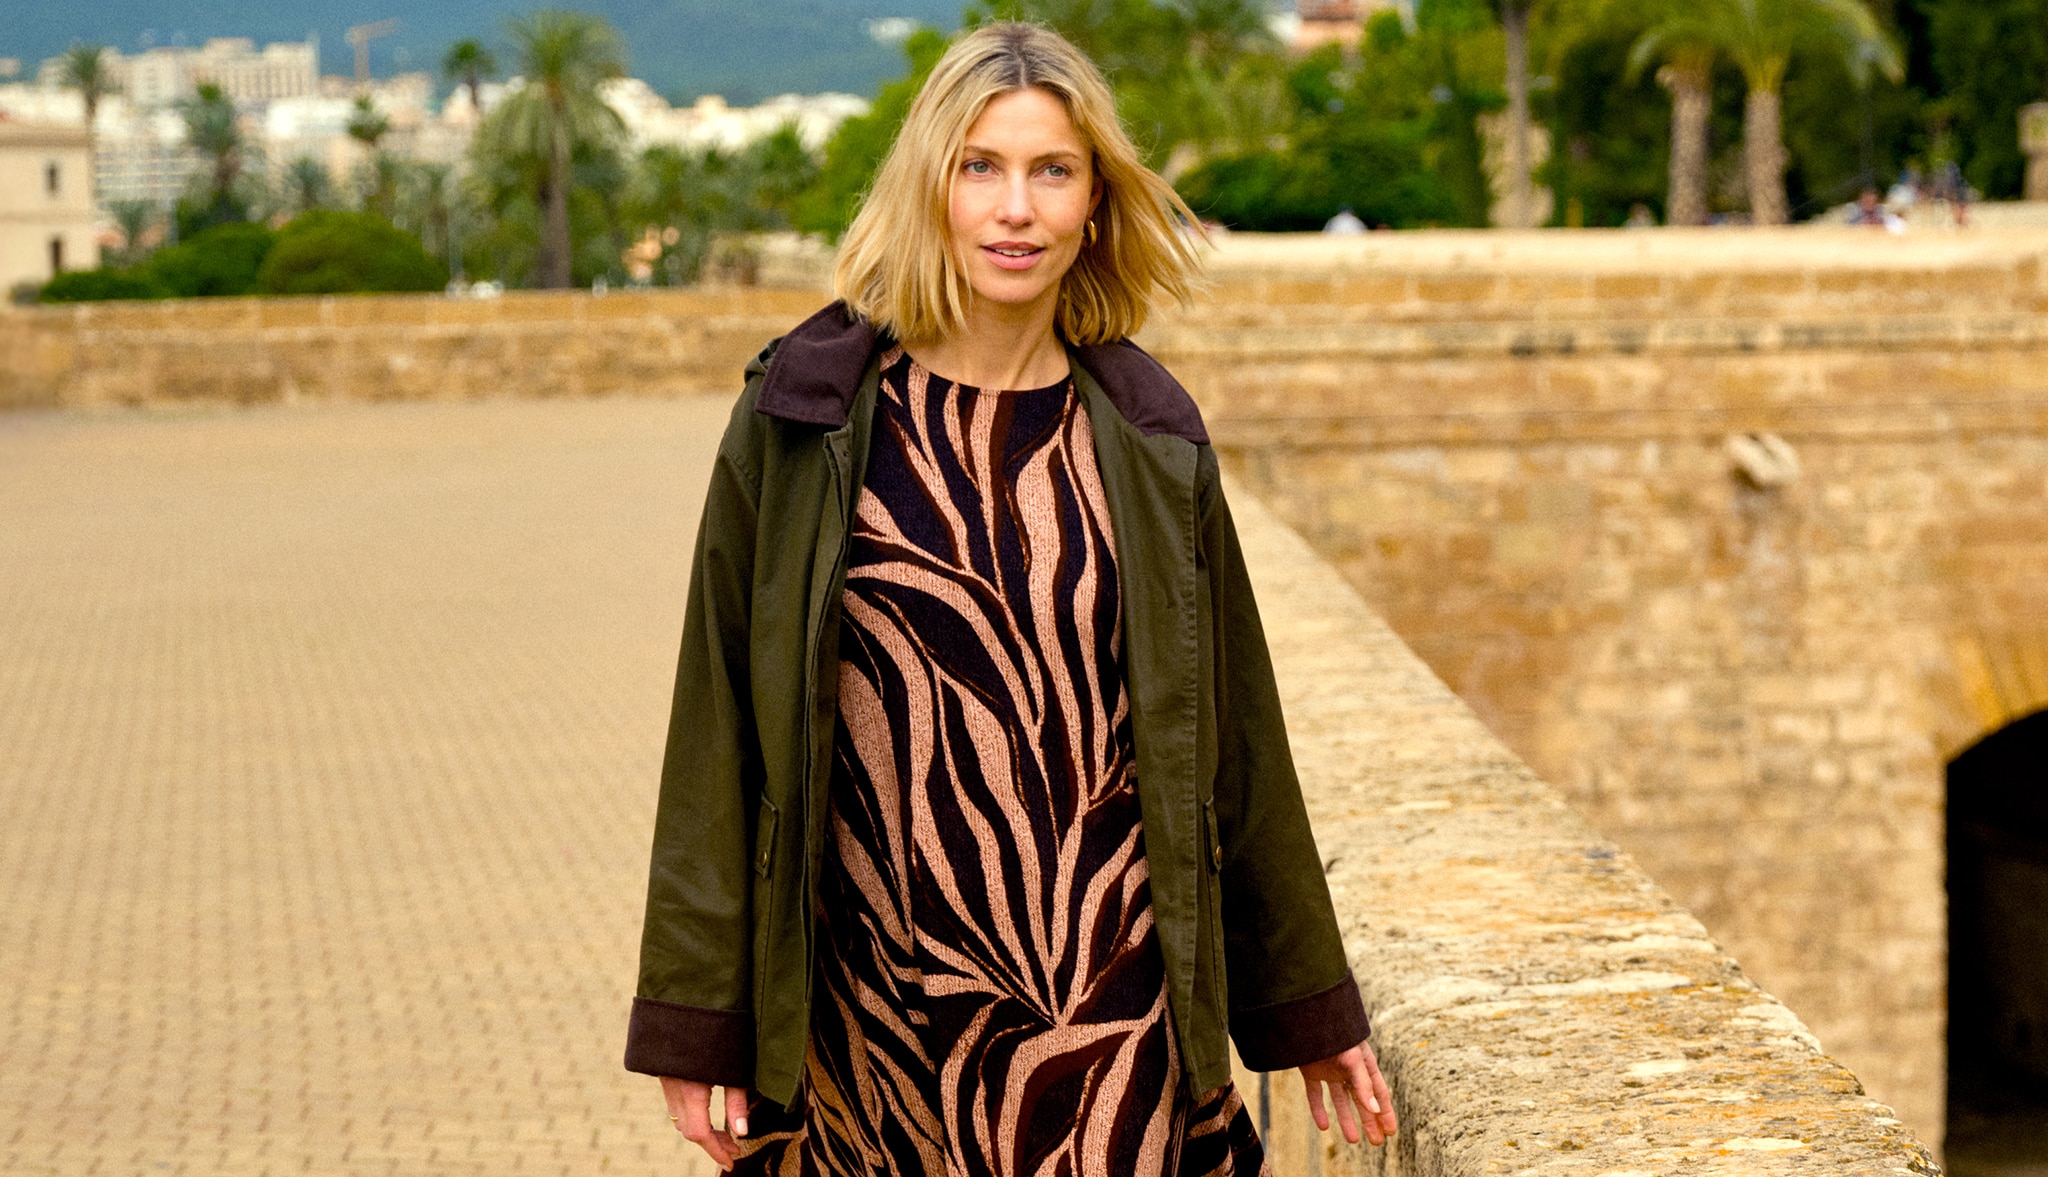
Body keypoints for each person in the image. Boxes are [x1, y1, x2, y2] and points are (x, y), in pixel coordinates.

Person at [623, 22, 1397, 1175]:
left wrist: (1304, 1009)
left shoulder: (1149, 439)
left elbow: (1235, 736)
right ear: (927, 187)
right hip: (866, 1008)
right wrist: (697, 1018)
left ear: (1094, 202)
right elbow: (717, 726)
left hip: (1107, 1002)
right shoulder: (802, 418)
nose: (1015, 209)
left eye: (1052, 171)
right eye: (979, 167)